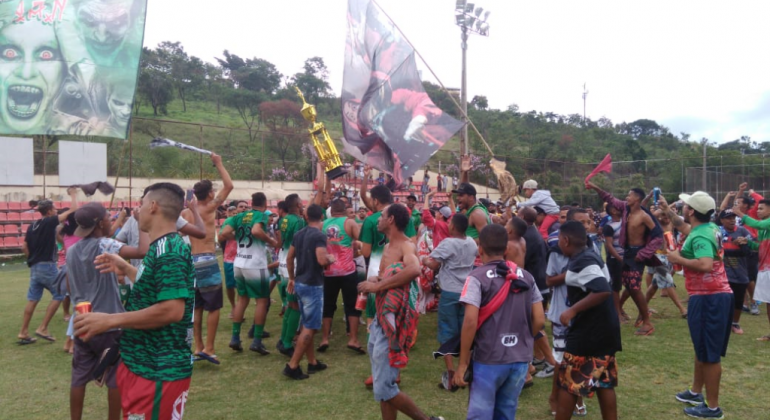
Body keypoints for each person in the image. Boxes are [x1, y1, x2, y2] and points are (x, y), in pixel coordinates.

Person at [75, 182, 195, 420]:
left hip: (158, 369)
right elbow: (154, 288)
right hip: (142, 364)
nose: (136, 211)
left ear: (153, 206)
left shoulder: (169, 250)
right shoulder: (159, 247)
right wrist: (126, 267)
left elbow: (172, 310)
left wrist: (109, 321)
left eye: (140, 204)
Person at [358, 204, 444, 420]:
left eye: (382, 216)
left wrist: (377, 287)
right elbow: (390, 277)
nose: (377, 219)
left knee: (384, 388)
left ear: (391, 220)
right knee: (384, 384)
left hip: (393, 323)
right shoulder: (387, 246)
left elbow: (414, 269)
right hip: (381, 319)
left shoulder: (406, 246)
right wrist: (377, 280)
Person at [453, 224, 544, 419]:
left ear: (480, 249)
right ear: (506, 250)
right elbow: (539, 319)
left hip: (488, 358)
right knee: (506, 412)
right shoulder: (526, 277)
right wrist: (526, 339)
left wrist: (462, 363)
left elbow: (470, 322)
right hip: (519, 359)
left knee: (481, 413)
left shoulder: (476, 278)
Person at [665, 192, 732, 419]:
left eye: (686, 205)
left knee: (710, 354)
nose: (683, 206)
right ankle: (695, 392)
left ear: (692, 211)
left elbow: (704, 264)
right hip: (710, 296)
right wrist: (667, 210)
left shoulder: (701, 236)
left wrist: (677, 259)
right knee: (702, 348)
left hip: (709, 298)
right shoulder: (706, 228)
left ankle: (713, 407)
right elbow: (684, 228)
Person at [67, 203, 129, 420]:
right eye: (108, 217)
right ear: (101, 223)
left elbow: (68, 286)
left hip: (81, 321)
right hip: (108, 322)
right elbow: (141, 251)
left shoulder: (72, 250)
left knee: (78, 377)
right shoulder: (105, 244)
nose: (111, 220)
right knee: (114, 376)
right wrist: (139, 223)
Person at [554, 221, 621, 420]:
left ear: (565, 240)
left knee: (570, 382)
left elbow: (602, 290)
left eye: (559, 239)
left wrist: (571, 311)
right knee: (603, 380)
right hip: (606, 328)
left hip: (589, 332)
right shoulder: (590, 255)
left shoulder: (582, 261)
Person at [586, 181, 662, 336]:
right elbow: (610, 198)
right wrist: (595, 187)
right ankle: (642, 316)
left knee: (634, 287)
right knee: (630, 287)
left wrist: (644, 253)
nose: (627, 197)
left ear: (637, 198)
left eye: (629, 195)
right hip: (627, 254)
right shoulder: (626, 210)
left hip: (637, 255)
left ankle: (647, 322)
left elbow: (658, 237)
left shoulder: (644, 216)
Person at [181, 152, 233, 365]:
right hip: (207, 261)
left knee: (197, 307)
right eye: (213, 191)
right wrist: (218, 163)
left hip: (191, 262)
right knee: (214, 306)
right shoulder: (209, 208)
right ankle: (210, 348)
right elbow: (229, 185)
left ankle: (198, 346)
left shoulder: (186, 212)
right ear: (209, 195)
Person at [421, 213, 477, 390]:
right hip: (467, 291)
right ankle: (466, 369)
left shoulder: (448, 243)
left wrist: (422, 258)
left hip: (450, 292)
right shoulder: (471, 242)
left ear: (453, 227)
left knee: (446, 332)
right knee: (465, 332)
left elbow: (433, 264)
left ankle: (451, 373)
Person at [18, 188, 79, 345]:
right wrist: (73, 194)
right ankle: (43, 327)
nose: (56, 210)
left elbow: (24, 246)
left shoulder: (33, 226)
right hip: (47, 265)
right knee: (60, 293)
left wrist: (31, 259)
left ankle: (23, 332)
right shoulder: (50, 221)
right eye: (54, 208)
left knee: (33, 299)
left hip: (35, 267)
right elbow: (73, 210)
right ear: (50, 211)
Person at [219, 192, 278, 354]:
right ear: (265, 204)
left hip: (239, 263)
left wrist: (237, 237)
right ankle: (257, 341)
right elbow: (256, 231)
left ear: (252, 203)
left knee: (242, 299)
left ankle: (235, 338)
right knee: (261, 301)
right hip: (255, 264)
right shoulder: (260, 215)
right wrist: (271, 241)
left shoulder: (241, 216)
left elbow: (223, 234)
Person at [283, 204, 335, 379]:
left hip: (300, 282)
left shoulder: (299, 234)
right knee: (311, 327)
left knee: (307, 324)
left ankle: (312, 362)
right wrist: (330, 258)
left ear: (305, 217)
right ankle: (293, 365)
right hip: (313, 284)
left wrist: (291, 277)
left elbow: (290, 257)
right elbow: (322, 260)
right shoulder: (319, 235)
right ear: (321, 217)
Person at [317, 199, 364, 354]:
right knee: (352, 305)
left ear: (331, 210)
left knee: (328, 305)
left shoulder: (322, 224)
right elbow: (360, 240)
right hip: (347, 270)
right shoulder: (349, 222)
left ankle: (324, 338)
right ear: (344, 210)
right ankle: (353, 339)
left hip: (329, 270)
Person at [733, 198, 770, 341]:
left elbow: (756, 224)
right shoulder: (763, 229)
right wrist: (747, 242)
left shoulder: (765, 224)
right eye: (758, 209)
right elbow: (760, 247)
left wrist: (740, 214)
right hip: (764, 268)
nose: (758, 211)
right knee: (768, 303)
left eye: (761, 209)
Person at [275, 193, 307, 357]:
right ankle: (287, 343)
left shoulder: (283, 219)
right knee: (295, 306)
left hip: (282, 263)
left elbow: (280, 241)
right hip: (292, 266)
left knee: (289, 304)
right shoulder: (299, 221)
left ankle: (282, 339)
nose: (303, 204)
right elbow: (299, 245)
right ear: (296, 204)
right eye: (301, 202)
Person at [642, 209, 688, 319]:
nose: (666, 218)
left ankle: (642, 306)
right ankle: (682, 309)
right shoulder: (655, 224)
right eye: (663, 215)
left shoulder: (671, 223)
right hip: (657, 257)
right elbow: (651, 215)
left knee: (655, 284)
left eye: (668, 216)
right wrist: (661, 209)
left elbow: (676, 219)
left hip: (668, 255)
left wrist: (667, 209)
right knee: (668, 281)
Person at [716, 209, 753, 335]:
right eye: (728, 218)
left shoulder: (742, 231)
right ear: (721, 220)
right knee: (721, 299)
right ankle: (720, 323)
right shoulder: (717, 232)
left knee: (738, 300)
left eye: (733, 217)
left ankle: (735, 323)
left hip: (740, 272)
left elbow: (751, 250)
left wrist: (744, 243)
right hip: (722, 273)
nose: (732, 220)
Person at [220, 201, 249, 317]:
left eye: (246, 207)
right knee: (230, 286)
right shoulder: (229, 221)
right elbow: (221, 237)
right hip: (230, 258)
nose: (243, 209)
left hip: (245, 258)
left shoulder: (249, 222)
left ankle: (238, 308)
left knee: (241, 286)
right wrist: (235, 236)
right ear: (236, 209)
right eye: (241, 207)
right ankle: (233, 306)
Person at [452, 181, 490, 267]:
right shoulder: (470, 210)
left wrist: (463, 241)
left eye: (461, 195)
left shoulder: (476, 214)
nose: (457, 198)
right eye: (458, 195)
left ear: (471, 198)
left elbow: (487, 239)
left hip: (476, 263)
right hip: (471, 261)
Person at [602, 204, 625, 322]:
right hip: (615, 260)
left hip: (626, 258)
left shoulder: (624, 222)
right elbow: (609, 245)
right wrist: (619, 258)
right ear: (613, 211)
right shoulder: (609, 226)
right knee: (616, 287)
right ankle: (617, 313)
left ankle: (620, 308)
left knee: (631, 286)